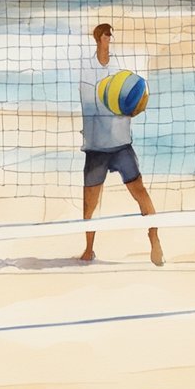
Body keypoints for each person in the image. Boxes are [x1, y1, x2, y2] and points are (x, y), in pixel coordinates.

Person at [78, 22, 163, 266]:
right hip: (95, 146)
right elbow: (90, 101)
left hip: (121, 143)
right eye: (107, 36)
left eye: (111, 36)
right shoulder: (86, 68)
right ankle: (89, 249)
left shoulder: (121, 67)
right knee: (89, 203)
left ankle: (155, 241)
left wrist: (134, 106)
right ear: (99, 38)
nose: (110, 39)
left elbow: (137, 97)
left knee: (140, 192)